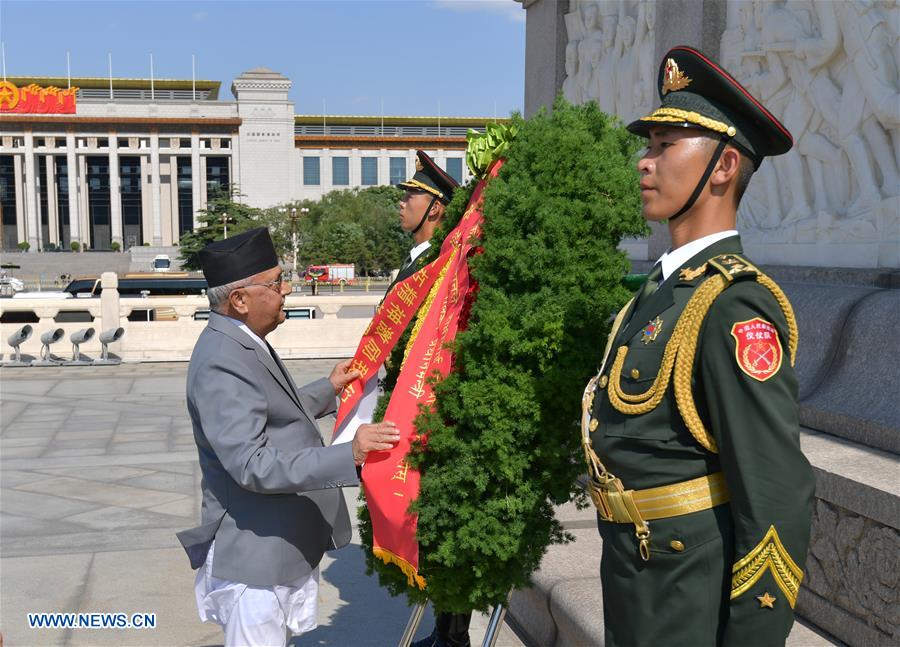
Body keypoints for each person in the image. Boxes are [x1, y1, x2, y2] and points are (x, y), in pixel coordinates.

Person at [582, 46, 814, 646]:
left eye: (664, 146)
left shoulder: (733, 303)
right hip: (638, 577)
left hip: (689, 595)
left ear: (723, 166)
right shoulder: (661, 292)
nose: (644, 162)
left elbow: (776, 496)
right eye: (648, 146)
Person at [177, 227, 401, 647]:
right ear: (240, 300)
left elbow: (265, 411)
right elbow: (251, 464)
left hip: (275, 545)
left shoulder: (241, 339)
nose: (287, 290)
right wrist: (347, 454)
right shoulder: (222, 361)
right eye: (276, 282)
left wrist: (326, 389)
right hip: (255, 560)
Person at [390, 150, 459, 290]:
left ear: (434, 208)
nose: (401, 203)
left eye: (409, 196)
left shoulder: (435, 262)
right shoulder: (418, 257)